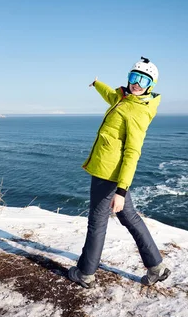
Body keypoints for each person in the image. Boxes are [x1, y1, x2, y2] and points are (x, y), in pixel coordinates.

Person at [68, 57, 171, 289]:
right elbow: (110, 95)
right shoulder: (125, 99)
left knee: (97, 222)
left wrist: (121, 190)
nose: (137, 83)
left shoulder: (137, 112)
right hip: (112, 173)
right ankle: (156, 267)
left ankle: (85, 273)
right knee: (129, 216)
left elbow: (133, 152)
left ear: (151, 85)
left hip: (109, 174)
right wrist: (97, 84)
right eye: (134, 77)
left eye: (143, 80)